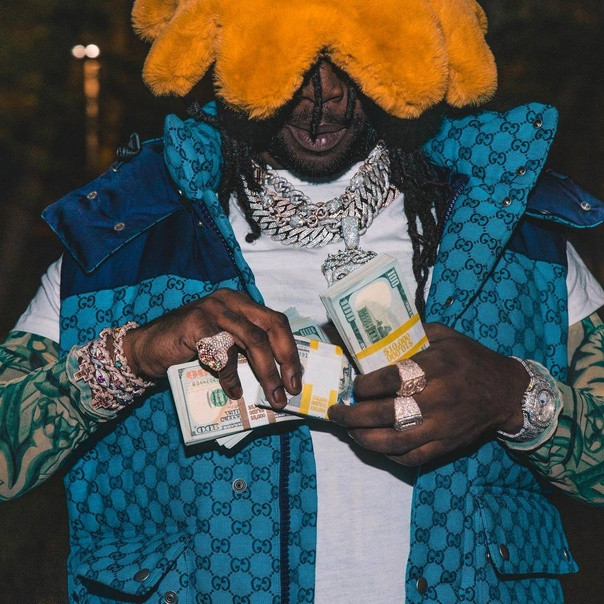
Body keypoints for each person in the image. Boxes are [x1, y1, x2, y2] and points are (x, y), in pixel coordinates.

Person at [1, 0, 603, 602]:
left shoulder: (513, 236)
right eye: (296, 54)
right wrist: (134, 356)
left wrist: (513, 397)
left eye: (348, 53)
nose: (325, 92)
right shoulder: (125, 248)